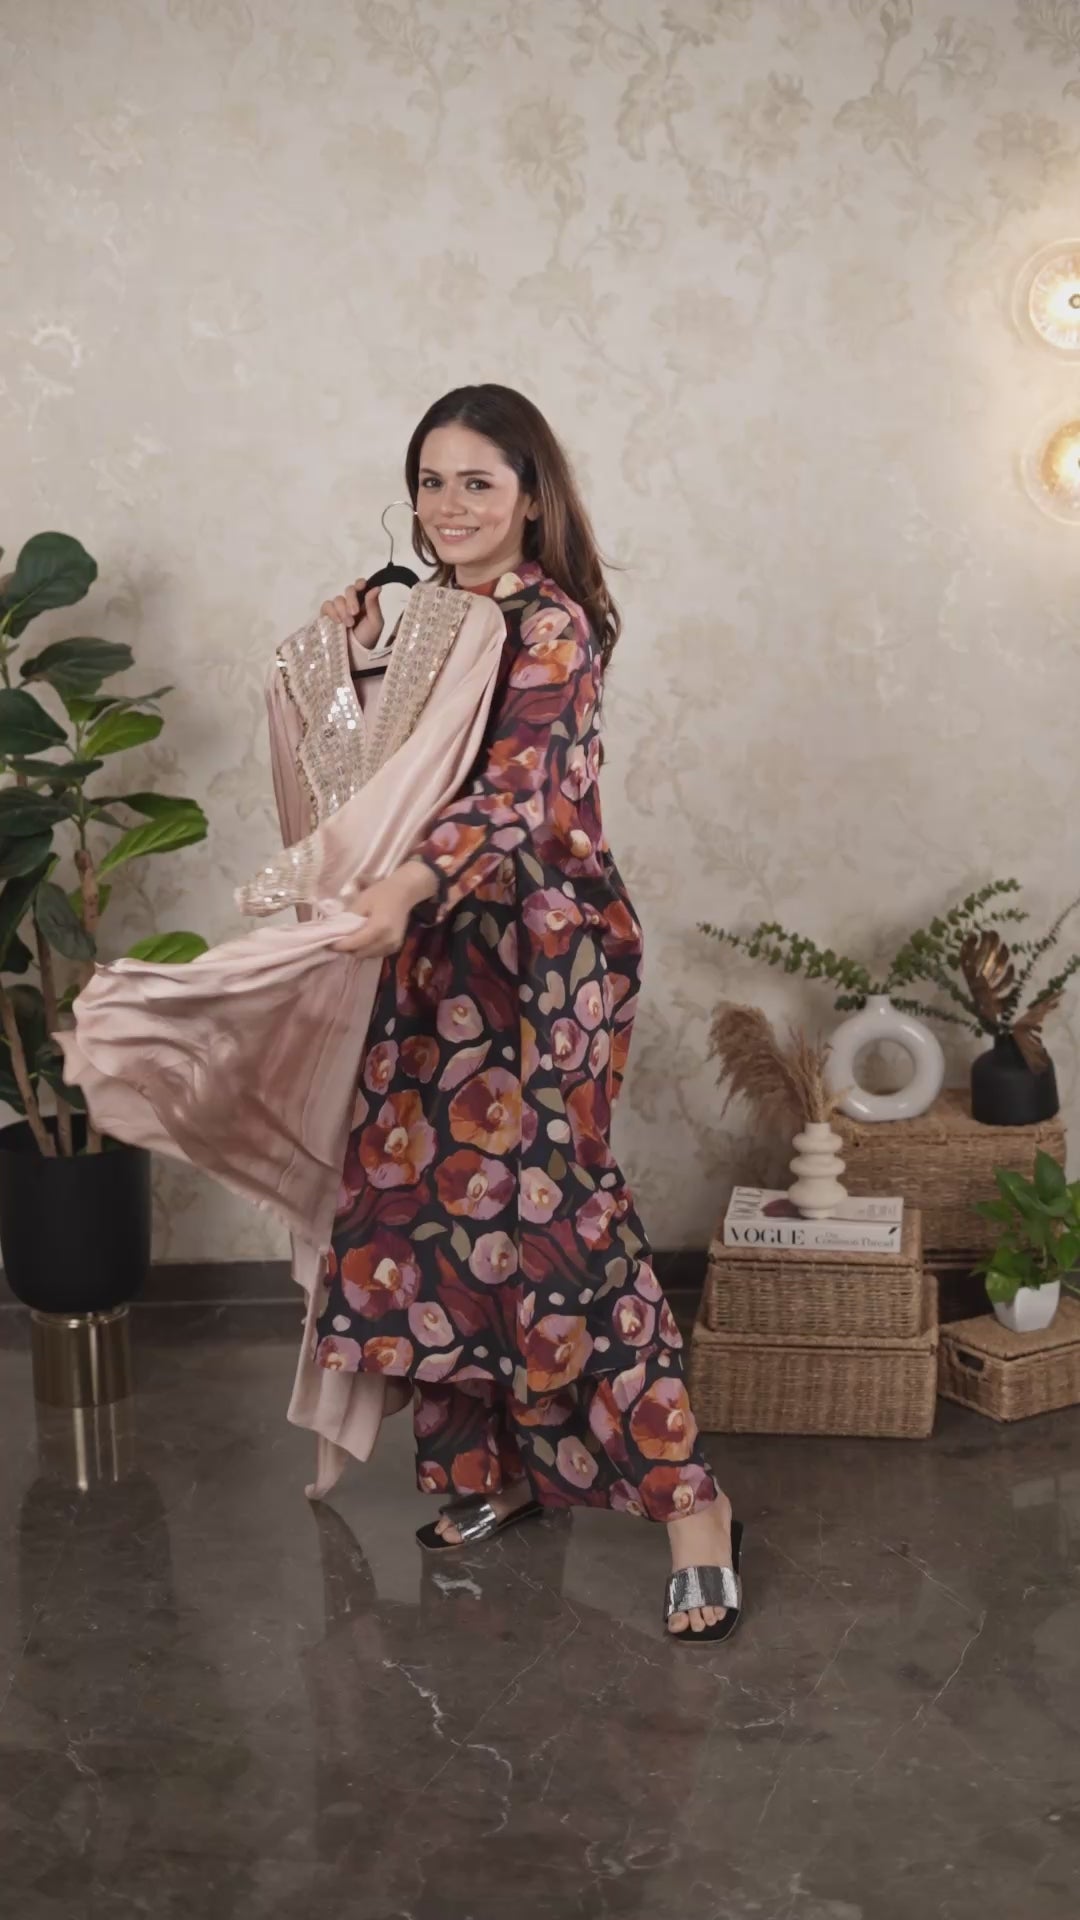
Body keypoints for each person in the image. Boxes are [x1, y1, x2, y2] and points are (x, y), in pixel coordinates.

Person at [312, 384, 743, 1643]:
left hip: (543, 956)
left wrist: (405, 886)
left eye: (477, 483)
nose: (449, 507)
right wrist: (351, 660)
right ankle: (489, 1474)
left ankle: (692, 1506)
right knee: (427, 1211)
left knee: (560, 1228)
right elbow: (365, 773)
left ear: (530, 495)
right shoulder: (430, 617)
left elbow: (509, 793)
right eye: (430, 482)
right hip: (429, 951)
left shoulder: (554, 626)